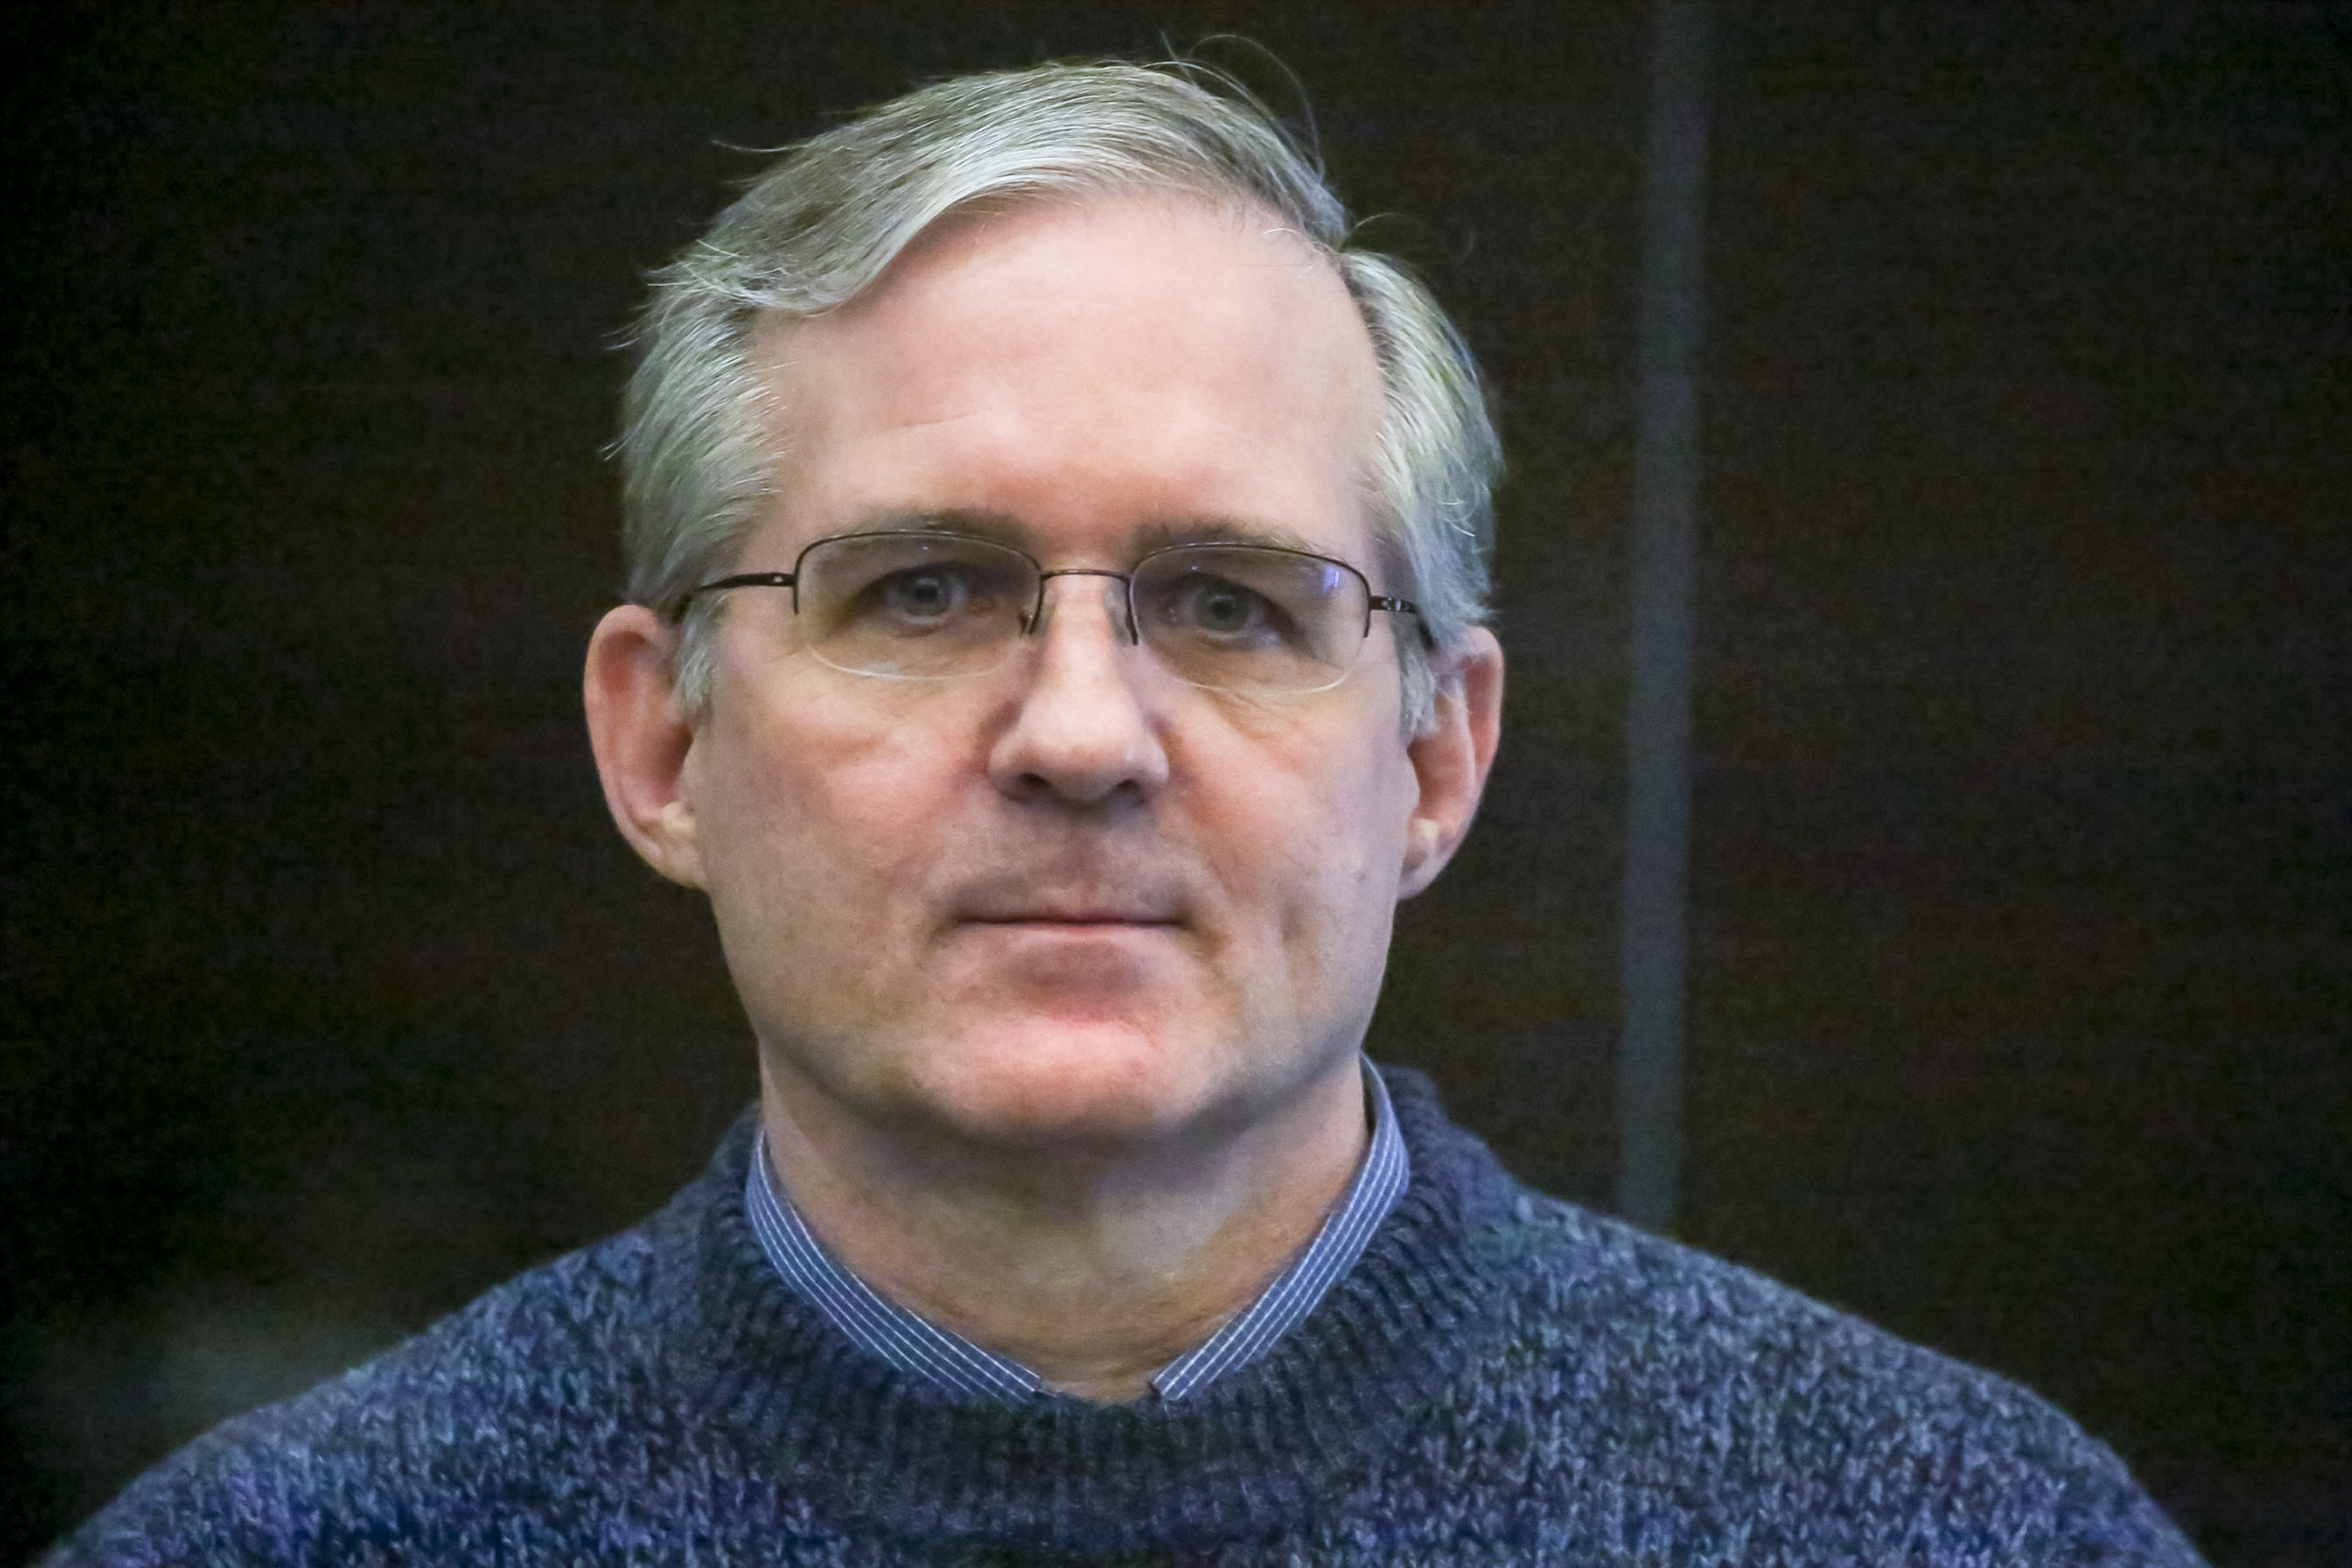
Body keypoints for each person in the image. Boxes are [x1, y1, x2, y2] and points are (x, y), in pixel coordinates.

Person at [50, 61, 2203, 1565]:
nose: (1082, 728)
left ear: (1437, 757)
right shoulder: (293, 1541)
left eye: (1227, 602)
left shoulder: (1931, 1522)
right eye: (917, 587)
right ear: (665, 744)